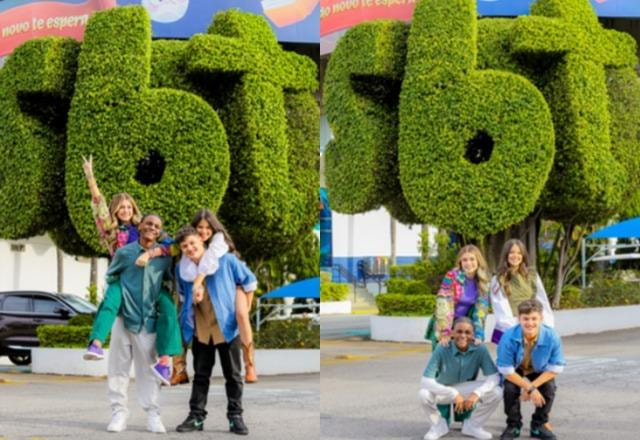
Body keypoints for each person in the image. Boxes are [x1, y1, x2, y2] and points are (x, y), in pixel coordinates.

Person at [81, 156, 182, 385]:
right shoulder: (112, 232)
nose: (125, 210)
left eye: (129, 206)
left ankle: (166, 362)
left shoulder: (146, 227)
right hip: (124, 277)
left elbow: (174, 246)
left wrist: (153, 253)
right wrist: (90, 176)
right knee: (110, 302)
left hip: (149, 279)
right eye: (121, 207)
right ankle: (96, 343)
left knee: (167, 308)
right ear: (115, 211)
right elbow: (98, 203)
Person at [174, 225, 257, 435]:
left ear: (201, 241)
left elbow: (249, 281)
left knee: (234, 375)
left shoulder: (226, 261)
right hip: (201, 329)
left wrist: (243, 311)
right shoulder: (182, 271)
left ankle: (235, 417)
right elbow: (183, 298)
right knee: (201, 376)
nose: (190, 248)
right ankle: (196, 417)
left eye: (192, 243)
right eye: (185, 246)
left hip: (227, 328)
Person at [104, 214, 174, 433]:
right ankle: (119, 412)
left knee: (148, 371)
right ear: (140, 226)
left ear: (159, 231)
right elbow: (111, 277)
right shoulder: (124, 252)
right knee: (118, 367)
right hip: (123, 319)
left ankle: (153, 414)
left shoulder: (163, 257)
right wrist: (119, 298)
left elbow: (170, 279)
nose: (151, 227)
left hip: (149, 320)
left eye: (156, 225)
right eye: (148, 223)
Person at [188, 208, 258, 383]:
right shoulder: (193, 250)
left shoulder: (220, 247)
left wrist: (247, 306)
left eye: (207, 227)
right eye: (199, 227)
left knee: (241, 315)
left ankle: (250, 364)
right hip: (213, 297)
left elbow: (249, 281)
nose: (203, 231)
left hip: (236, 287)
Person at [419, 317, 502, 440]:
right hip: (444, 391)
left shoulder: (480, 349)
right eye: (459, 331)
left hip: (466, 390)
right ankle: (438, 426)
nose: (463, 335)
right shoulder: (442, 347)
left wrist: (477, 393)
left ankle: (473, 426)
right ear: (452, 332)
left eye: (467, 332)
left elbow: (494, 377)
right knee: (423, 394)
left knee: (497, 392)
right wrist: (453, 393)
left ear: (473, 334)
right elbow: (425, 381)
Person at [496, 299, 565, 440]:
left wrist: (531, 387)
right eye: (525, 319)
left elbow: (555, 368)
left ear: (541, 319)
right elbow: (506, 370)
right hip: (516, 369)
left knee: (549, 388)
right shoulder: (508, 337)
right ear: (519, 319)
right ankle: (513, 425)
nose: (530, 323)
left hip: (538, 368)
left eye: (534, 318)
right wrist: (531, 389)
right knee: (510, 389)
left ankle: (539, 425)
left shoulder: (552, 337)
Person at [489, 239, 554, 344]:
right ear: (506, 255)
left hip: (532, 324)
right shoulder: (498, 279)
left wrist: (546, 325)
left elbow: (542, 301)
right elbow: (500, 307)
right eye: (512, 252)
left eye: (519, 253)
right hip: (510, 327)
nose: (515, 256)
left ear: (523, 256)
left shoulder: (532, 275)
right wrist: (517, 329)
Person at [426, 245, 490, 349]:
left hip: (464, 326)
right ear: (460, 262)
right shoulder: (452, 276)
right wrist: (445, 332)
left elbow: (481, 310)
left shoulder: (483, 281)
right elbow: (443, 302)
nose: (468, 263)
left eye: (472, 259)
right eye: (464, 260)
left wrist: (478, 334)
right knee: (441, 358)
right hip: (444, 323)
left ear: (478, 261)